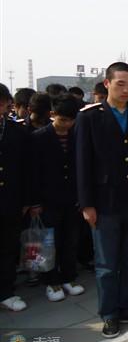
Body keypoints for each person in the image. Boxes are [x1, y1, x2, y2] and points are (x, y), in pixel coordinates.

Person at [76, 62, 128, 338]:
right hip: (104, 202)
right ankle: (110, 314)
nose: (126, 89)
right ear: (107, 83)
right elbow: (83, 164)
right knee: (107, 264)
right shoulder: (89, 117)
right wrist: (86, 203)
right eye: (121, 83)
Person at [29, 94, 85, 302]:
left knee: (70, 240)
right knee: (48, 243)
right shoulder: (39, 137)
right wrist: (34, 202)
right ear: (52, 115)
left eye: (71, 121)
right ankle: (51, 282)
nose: (67, 125)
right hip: (47, 200)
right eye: (63, 120)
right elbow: (33, 173)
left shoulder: (77, 135)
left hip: (72, 198)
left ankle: (69, 277)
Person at [0, 83, 30, 312]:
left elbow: (24, 168)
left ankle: (6, 291)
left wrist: (26, 199)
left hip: (10, 199)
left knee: (8, 246)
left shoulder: (15, 130)